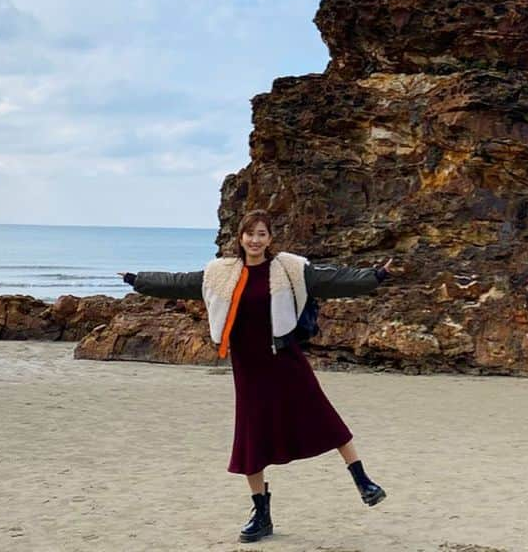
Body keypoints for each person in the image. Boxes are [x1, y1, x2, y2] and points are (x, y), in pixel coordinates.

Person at [120, 207, 402, 543]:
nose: (255, 240)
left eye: (262, 234)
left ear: (270, 239)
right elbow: (179, 283)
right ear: (240, 237)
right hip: (249, 366)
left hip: (284, 357)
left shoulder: (290, 269)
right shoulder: (220, 273)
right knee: (251, 438)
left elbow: (333, 280)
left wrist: (375, 277)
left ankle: (363, 481)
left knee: (323, 416)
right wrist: (139, 281)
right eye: (250, 233)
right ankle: (261, 512)